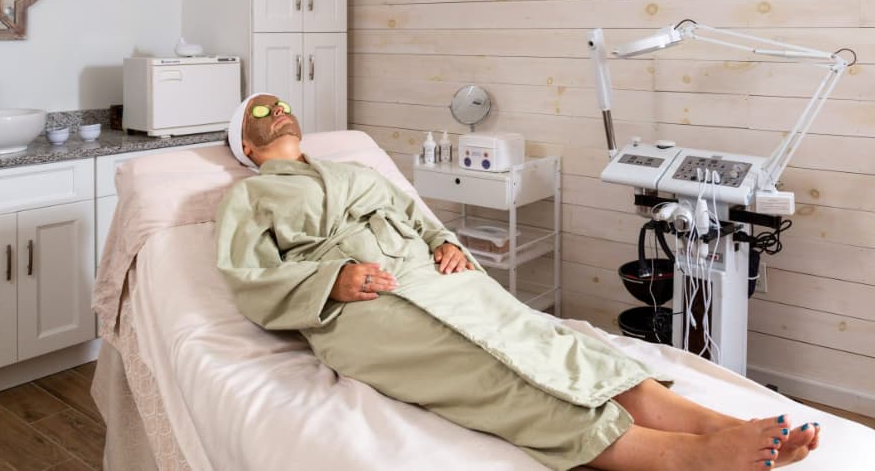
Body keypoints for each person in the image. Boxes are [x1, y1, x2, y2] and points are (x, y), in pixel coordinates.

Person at [216, 93, 820, 471]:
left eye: (279, 105)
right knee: (488, 368)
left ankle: (717, 425)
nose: (275, 111)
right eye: (259, 113)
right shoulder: (247, 196)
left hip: (432, 274)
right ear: (247, 146)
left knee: (545, 337)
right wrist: (332, 279)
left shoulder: (349, 170)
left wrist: (445, 243)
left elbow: (416, 222)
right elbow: (250, 278)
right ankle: (679, 458)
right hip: (365, 303)